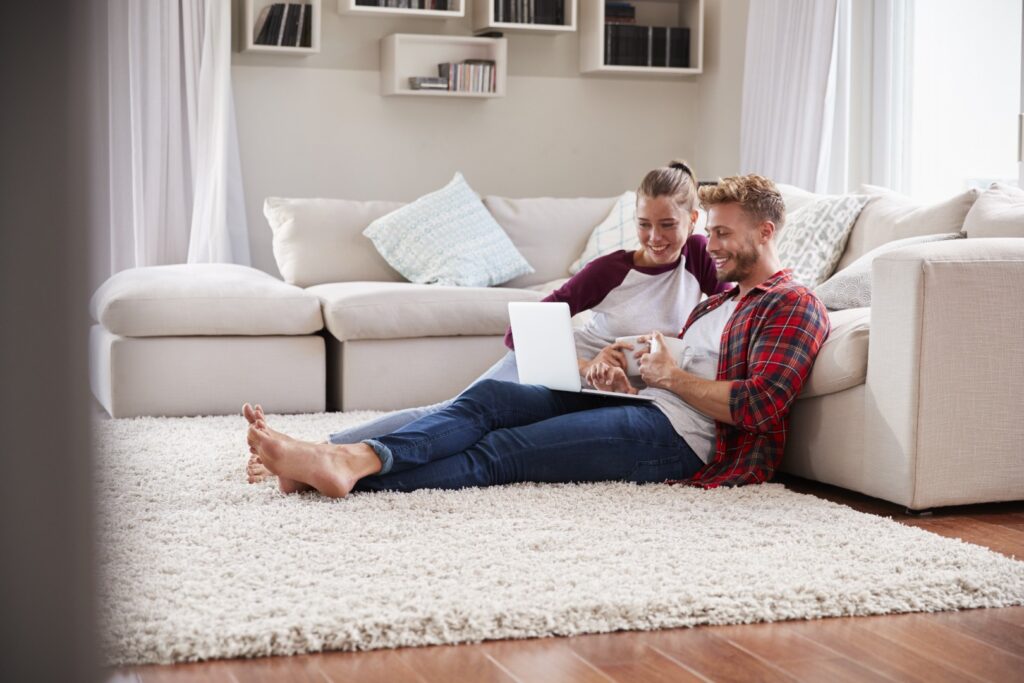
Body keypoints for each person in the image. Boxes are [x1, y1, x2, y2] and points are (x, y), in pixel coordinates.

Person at [244, 174, 830, 497]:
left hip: (678, 437)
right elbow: (677, 351)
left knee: (504, 453)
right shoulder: (726, 296)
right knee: (489, 401)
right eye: (713, 233)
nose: (713, 246)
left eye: (723, 234)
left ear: (766, 232)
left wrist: (667, 375)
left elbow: (759, 405)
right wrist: (624, 357)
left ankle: (345, 471)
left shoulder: (793, 306)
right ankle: (344, 457)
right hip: (641, 395)